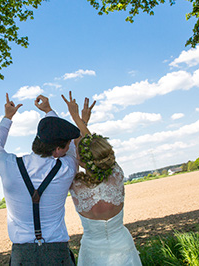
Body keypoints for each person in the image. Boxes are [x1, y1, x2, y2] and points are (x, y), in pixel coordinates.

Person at [0, 93, 80, 265]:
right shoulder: (66, 168)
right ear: (58, 150)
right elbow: (74, 146)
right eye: (66, 145)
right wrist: (49, 111)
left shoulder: (9, 166)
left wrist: (8, 117)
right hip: (57, 255)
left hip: (22, 256)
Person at [62, 91, 142, 266]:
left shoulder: (75, 184)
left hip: (92, 251)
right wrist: (79, 119)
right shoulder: (116, 174)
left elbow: (81, 147)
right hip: (122, 244)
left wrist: (78, 119)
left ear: (81, 160)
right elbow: (91, 146)